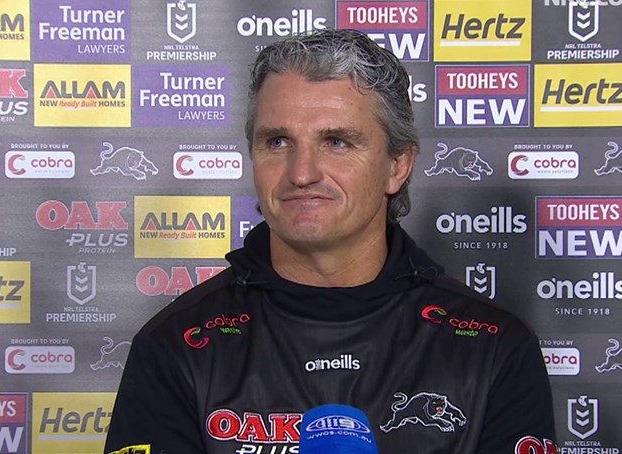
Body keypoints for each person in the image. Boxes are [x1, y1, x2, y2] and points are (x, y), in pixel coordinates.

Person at [105, 29, 555, 454]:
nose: (301, 173)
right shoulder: (175, 345)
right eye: (277, 141)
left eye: (336, 142)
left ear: (397, 165)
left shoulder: (494, 348)